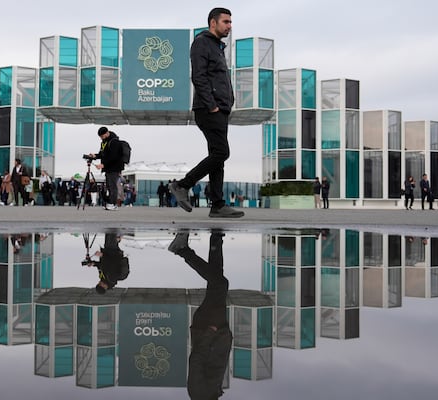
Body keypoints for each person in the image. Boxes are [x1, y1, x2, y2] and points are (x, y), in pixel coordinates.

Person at [168, 8, 243, 218]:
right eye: (226, 22)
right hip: (209, 109)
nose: (230, 26)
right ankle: (183, 185)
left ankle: (218, 205)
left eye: (230, 22)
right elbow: (198, 76)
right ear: (213, 23)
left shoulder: (217, 46)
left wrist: (229, 101)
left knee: (217, 156)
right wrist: (212, 105)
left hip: (220, 108)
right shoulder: (202, 43)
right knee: (222, 153)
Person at [167, 230, 231, 400]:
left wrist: (211, 332)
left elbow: (196, 361)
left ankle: (181, 250)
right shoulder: (209, 395)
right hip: (218, 329)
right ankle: (215, 240)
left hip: (208, 327)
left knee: (220, 283)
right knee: (216, 276)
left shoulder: (198, 394)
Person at [90, 126, 125, 211]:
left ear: (107, 133)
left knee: (113, 186)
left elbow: (114, 157)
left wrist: (103, 165)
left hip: (115, 167)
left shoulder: (114, 141)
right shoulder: (104, 142)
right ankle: (110, 203)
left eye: (102, 136)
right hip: (108, 168)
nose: (102, 138)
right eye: (100, 137)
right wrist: (95, 156)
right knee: (109, 186)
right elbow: (102, 154)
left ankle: (113, 204)